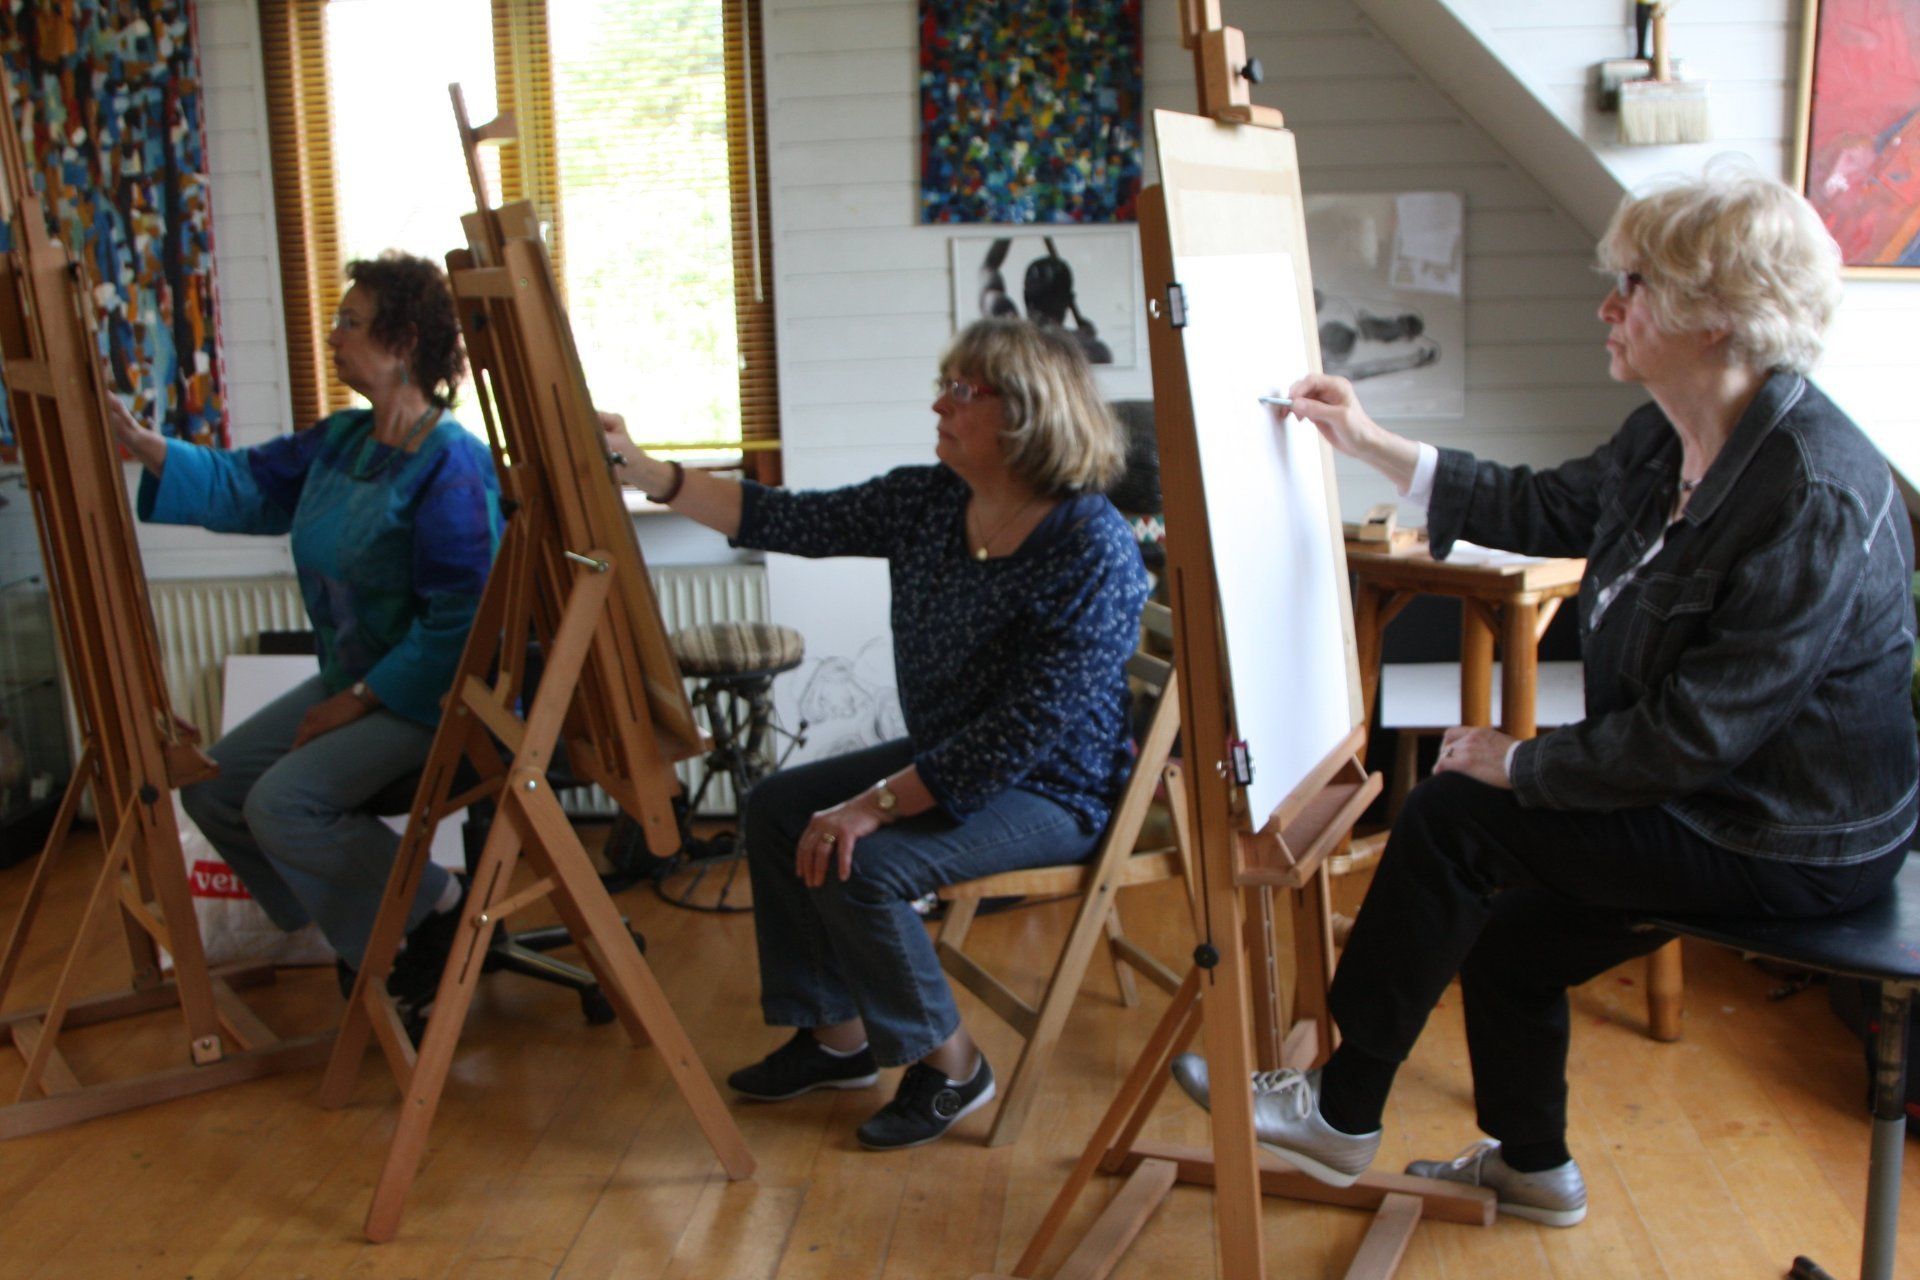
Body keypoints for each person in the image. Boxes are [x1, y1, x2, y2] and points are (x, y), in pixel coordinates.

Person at [1173, 168, 1917, 1226]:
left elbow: (1700, 731)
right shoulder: (1667, 436)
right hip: (1712, 792)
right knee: (1513, 937)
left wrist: (1524, 762)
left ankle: (1339, 1110)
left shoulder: (1814, 489)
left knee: (1453, 816)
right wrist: (1371, 443)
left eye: (1635, 285)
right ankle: (1533, 1170)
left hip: (1789, 834)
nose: (1608, 306)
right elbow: (1544, 505)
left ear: (1718, 316)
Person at [602, 318, 1148, 1150]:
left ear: (1028, 411)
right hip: (954, 755)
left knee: (862, 862)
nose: (939, 405)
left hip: (1053, 789)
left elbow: (1019, 735)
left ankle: (954, 1067)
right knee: (780, 807)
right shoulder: (931, 500)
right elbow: (786, 519)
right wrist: (649, 473)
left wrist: (875, 805)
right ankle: (838, 1039)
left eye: (961, 391)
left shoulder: (1092, 549)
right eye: (944, 385)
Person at [111, 251, 501, 1015]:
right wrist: (141, 442)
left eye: (350, 323)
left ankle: (435, 911)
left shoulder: (454, 464)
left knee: (280, 803)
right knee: (216, 788)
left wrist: (354, 701)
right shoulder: (343, 441)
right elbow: (243, 484)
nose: (333, 336)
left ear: (403, 342)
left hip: (434, 697)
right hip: (358, 678)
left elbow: (461, 627)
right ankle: (369, 921)